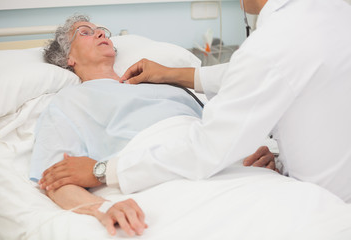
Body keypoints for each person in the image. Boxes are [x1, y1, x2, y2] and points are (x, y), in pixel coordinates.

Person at [30, 14, 277, 236]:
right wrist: (103, 209)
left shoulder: (161, 83)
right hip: (154, 178)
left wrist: (256, 152)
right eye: (85, 32)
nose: (100, 33)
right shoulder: (69, 101)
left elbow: (214, 133)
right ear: (68, 58)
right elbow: (55, 180)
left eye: (102, 30)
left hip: (221, 167)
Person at [112, 0, 351, 202]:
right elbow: (259, 73)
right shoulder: (334, 9)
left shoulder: (272, 44)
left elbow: (207, 150)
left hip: (330, 205)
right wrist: (170, 73)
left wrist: (107, 172)